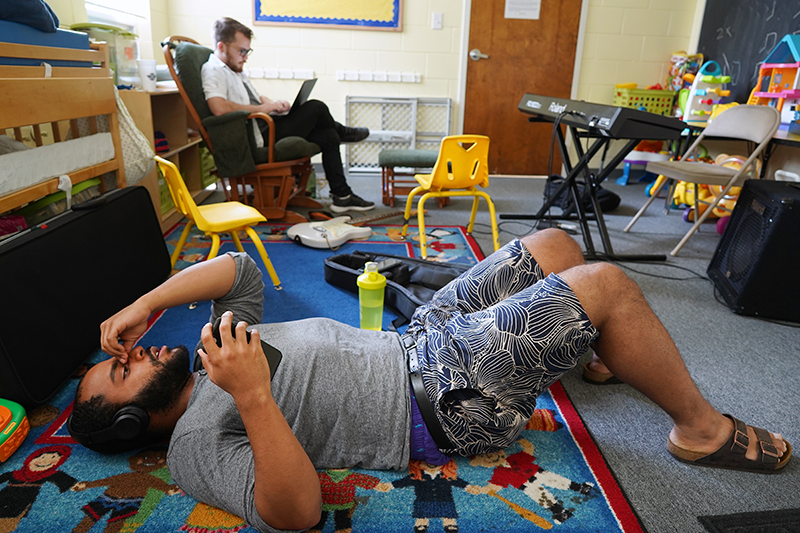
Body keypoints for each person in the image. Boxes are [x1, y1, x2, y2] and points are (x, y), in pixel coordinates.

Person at [68, 229, 792, 533]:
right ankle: (700, 430)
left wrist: (149, 302)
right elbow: (294, 513)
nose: (136, 353)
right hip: (439, 398)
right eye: (121, 373)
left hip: (415, 342)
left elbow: (240, 268)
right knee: (601, 282)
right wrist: (253, 393)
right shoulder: (196, 442)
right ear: (131, 423)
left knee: (553, 246)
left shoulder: (213, 351)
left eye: (124, 351)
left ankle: (599, 350)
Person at [201, 17, 374, 214]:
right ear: (222, 46)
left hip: (267, 125)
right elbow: (219, 108)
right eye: (242, 51)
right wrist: (266, 109)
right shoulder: (213, 70)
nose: (245, 56)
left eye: (248, 51)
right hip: (259, 139)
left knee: (328, 136)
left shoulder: (235, 69)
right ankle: (343, 132)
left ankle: (342, 196)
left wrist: (274, 104)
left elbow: (256, 98)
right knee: (316, 107)